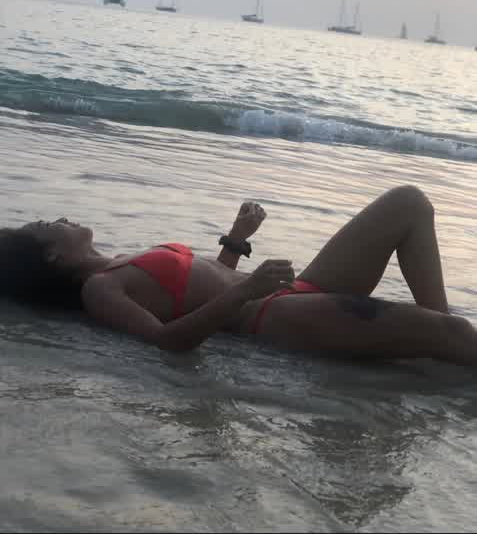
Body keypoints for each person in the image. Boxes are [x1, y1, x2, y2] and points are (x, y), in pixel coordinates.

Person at [0, 185, 476, 366]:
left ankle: (441, 339)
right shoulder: (99, 288)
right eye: (46, 225)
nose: (59, 218)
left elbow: (194, 288)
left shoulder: (117, 260)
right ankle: (445, 339)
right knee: (453, 335)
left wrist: (235, 239)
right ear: (51, 257)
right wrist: (247, 289)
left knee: (409, 203)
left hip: (295, 291)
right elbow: (167, 340)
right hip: (274, 315)